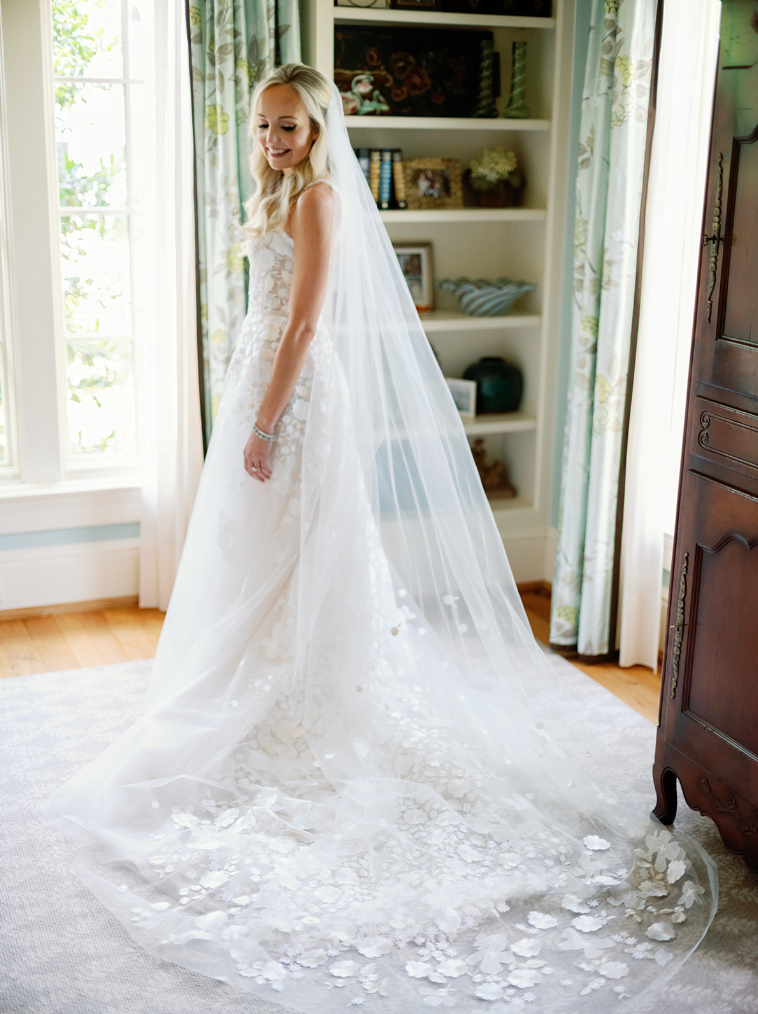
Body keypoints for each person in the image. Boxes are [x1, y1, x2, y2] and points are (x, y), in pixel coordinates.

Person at [42, 64, 716, 1013]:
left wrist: (269, 421)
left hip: (296, 398)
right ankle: (254, 686)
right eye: (264, 126)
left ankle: (302, 693)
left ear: (319, 129)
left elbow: (307, 320)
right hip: (263, 390)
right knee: (252, 557)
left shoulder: (317, 198)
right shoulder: (276, 189)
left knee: (296, 554)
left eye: (288, 126)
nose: (273, 140)